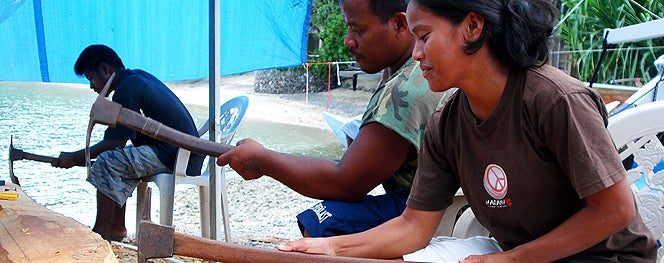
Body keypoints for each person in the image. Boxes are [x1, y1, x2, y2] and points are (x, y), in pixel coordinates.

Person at [277, 0, 658, 261]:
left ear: (472, 27)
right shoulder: (447, 125)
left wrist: (514, 260)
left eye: (424, 36)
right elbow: (413, 227)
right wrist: (333, 249)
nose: (416, 54)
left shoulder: (555, 101)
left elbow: (616, 210)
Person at [216, 0, 454, 237]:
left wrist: (264, 160)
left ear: (400, 24)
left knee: (323, 221)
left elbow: (346, 183)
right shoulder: (409, 71)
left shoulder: (404, 90)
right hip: (440, 200)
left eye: (358, 30)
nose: (348, 40)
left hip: (433, 210)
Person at [51, 44, 204, 242]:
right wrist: (79, 158)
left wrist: (74, 157)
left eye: (91, 78)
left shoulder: (127, 89)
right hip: (181, 153)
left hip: (176, 156)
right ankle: (116, 228)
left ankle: (101, 235)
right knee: (113, 161)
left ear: (106, 69)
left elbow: (115, 143)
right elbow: (117, 143)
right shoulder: (136, 77)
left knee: (108, 162)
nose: (92, 86)